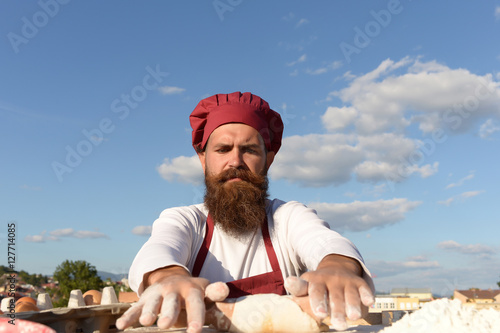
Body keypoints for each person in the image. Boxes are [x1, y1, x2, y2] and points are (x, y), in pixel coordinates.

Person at [116, 92, 375, 333]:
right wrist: (169, 277)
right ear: (203, 160)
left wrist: (337, 266)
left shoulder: (287, 218)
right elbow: (159, 248)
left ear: (268, 159)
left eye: (249, 150)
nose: (236, 161)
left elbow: (324, 241)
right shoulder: (186, 221)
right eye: (223, 149)